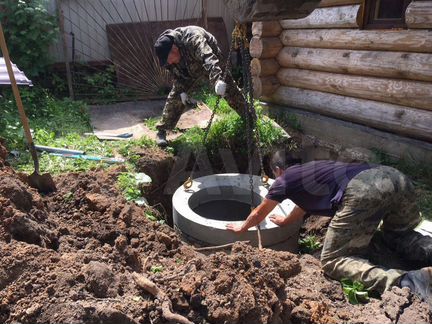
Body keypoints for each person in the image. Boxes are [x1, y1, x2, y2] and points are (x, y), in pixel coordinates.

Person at [227, 150, 432, 305]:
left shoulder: (284, 179)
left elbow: (259, 212)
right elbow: (301, 205)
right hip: (395, 177)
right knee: (397, 234)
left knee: (332, 260)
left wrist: (241, 228)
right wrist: (287, 221)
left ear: (278, 171)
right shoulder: (312, 169)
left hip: (364, 190)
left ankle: (411, 281)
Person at [153, 25, 247, 147]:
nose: (169, 62)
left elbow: (209, 59)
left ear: (174, 48)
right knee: (175, 95)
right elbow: (175, 72)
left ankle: (250, 118)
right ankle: (162, 131)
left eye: (169, 59)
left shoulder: (194, 39)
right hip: (187, 65)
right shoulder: (166, 51)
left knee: (229, 89)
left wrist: (218, 80)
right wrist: (182, 92)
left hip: (210, 61)